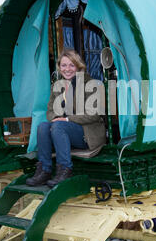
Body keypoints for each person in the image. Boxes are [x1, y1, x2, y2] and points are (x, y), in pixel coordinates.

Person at [26, 49, 106, 188]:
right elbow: (50, 111)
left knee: (58, 126)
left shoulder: (90, 84)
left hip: (86, 134)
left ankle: (65, 170)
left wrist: (67, 119)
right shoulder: (57, 86)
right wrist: (58, 118)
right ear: (59, 67)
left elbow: (94, 114)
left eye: (71, 65)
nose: (67, 69)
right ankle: (44, 170)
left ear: (78, 66)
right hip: (63, 132)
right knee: (43, 126)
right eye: (63, 65)